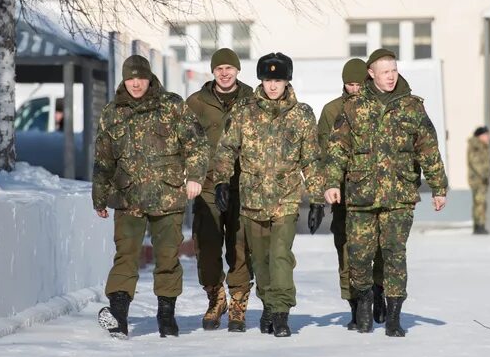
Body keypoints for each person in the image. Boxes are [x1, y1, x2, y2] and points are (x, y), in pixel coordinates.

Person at [324, 48, 448, 337]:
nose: (391, 76)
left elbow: (428, 149)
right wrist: (331, 183)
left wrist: (439, 187)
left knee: (394, 254)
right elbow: (337, 148)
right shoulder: (353, 107)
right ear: (372, 74)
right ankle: (365, 305)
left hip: (399, 195)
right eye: (384, 72)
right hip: (361, 194)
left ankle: (393, 317)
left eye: (393, 70)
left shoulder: (412, 106)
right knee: (359, 255)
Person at [93, 55, 208, 339]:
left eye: (140, 78)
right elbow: (103, 159)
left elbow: (197, 144)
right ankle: (118, 315)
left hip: (167, 197)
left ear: (149, 77)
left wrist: (194, 176)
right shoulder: (112, 112)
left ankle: (166, 314)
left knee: (167, 257)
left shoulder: (171, 106)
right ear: (124, 79)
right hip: (127, 197)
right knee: (125, 256)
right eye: (130, 78)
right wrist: (99, 196)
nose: (135, 83)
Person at [212, 52, 325, 338]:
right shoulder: (244, 112)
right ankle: (269, 304)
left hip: (286, 199)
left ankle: (281, 313)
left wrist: (317, 199)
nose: (273, 85)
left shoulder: (302, 115)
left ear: (287, 81)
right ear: (260, 80)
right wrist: (223, 182)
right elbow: (227, 149)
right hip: (252, 200)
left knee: (280, 257)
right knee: (260, 261)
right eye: (267, 79)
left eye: (278, 79)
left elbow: (311, 159)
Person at [186, 48, 254, 332]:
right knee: (208, 244)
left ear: (238, 70)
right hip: (208, 185)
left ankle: (238, 302)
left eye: (229, 68)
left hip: (244, 185)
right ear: (212, 72)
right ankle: (216, 298)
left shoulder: (254, 99)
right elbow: (184, 141)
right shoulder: (196, 103)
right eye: (219, 69)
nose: (224, 73)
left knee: (240, 246)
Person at [317, 58, 386, 330]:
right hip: (343, 195)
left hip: (375, 193)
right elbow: (323, 152)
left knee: (379, 248)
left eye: (360, 83)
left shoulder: (379, 107)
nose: (355, 88)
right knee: (346, 250)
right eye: (350, 83)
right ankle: (355, 303)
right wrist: (325, 187)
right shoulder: (332, 110)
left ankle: (377, 291)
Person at [467, 126, 490, 235]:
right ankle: (479, 226)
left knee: (480, 203)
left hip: (481, 180)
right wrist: (484, 174)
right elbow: (475, 161)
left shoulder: (482, 146)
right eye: (486, 135)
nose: (488, 137)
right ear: (480, 136)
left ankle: (479, 225)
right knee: (479, 203)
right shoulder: (476, 146)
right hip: (478, 180)